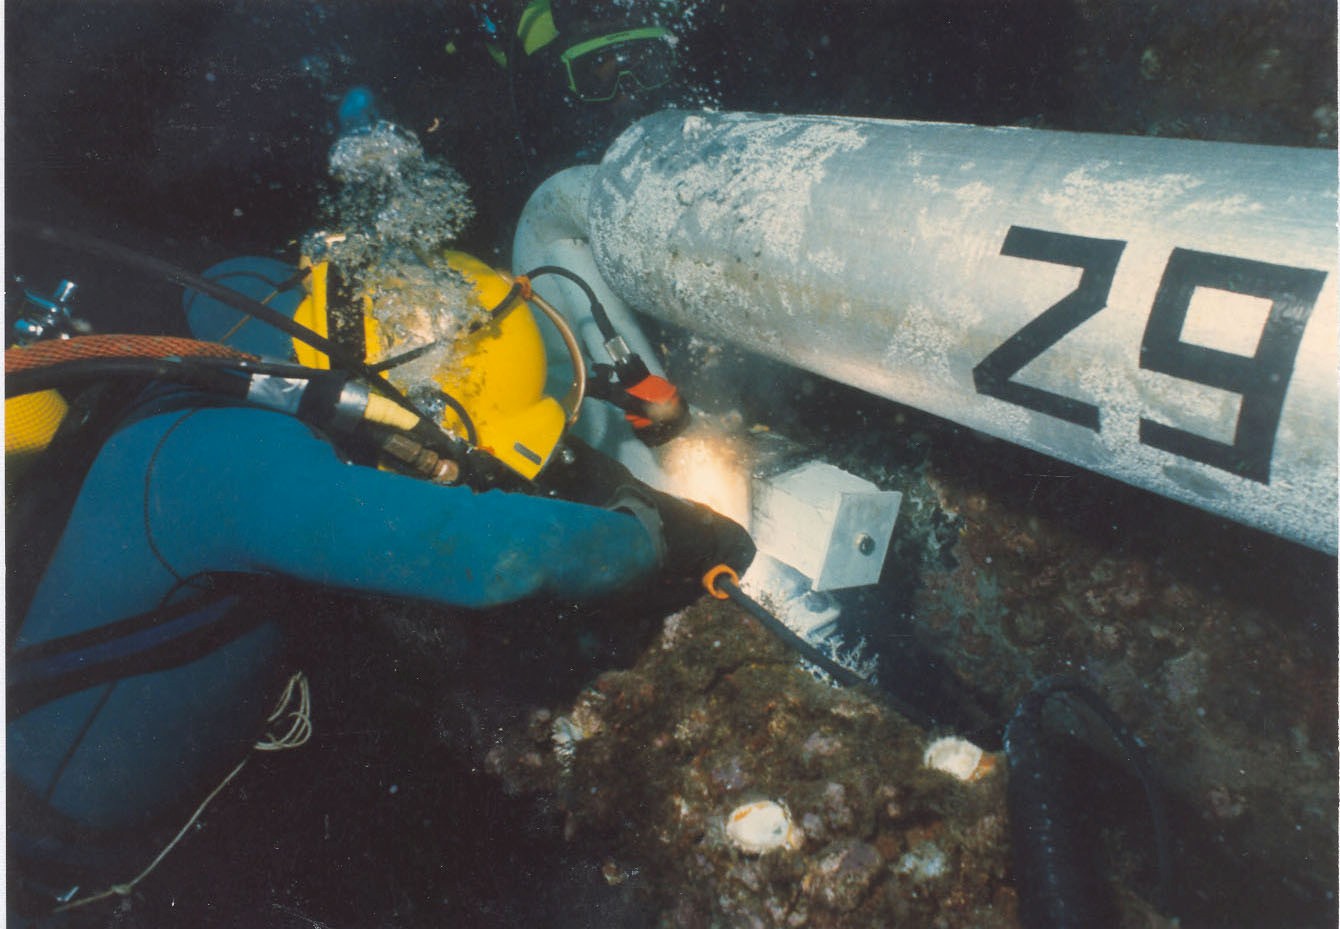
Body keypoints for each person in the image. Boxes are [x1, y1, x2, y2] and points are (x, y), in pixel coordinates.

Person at [5, 95, 752, 923]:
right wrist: (649, 539)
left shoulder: (271, 330)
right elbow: (485, 553)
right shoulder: (227, 459)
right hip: (58, 856)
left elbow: (244, 280)